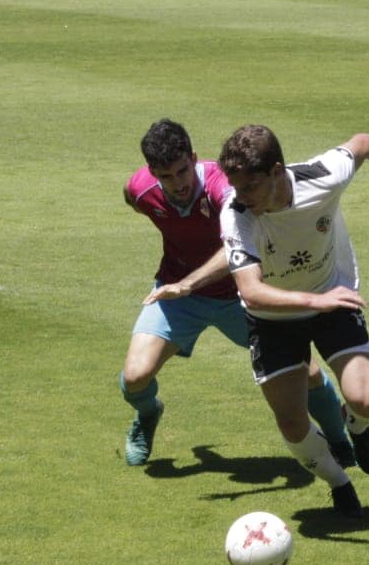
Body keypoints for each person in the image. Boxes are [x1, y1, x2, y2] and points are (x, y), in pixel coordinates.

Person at [120, 119, 355, 471]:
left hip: (241, 298)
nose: (178, 184)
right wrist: (182, 284)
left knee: (306, 372)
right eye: (165, 177)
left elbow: (236, 247)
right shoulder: (140, 190)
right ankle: (148, 413)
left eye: (183, 171)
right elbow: (135, 200)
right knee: (135, 376)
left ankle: (340, 441)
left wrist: (189, 282)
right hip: (176, 296)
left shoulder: (224, 189)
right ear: (152, 173)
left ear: (194, 158)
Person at [218, 125, 369, 518]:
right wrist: (316, 301)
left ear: (276, 171)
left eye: (250, 186)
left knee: (366, 400)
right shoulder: (236, 214)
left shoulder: (323, 176)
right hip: (271, 319)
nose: (241, 196)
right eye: (235, 186)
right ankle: (339, 482)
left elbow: (363, 143)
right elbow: (252, 291)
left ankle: (356, 426)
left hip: (333, 297)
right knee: (292, 423)